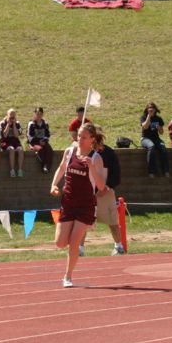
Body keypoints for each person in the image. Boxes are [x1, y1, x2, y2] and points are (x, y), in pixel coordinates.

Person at [50, 123, 107, 288]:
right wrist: (54, 185)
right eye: (78, 136)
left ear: (92, 139)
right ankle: (72, 245)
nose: (79, 139)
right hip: (68, 202)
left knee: (74, 242)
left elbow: (102, 186)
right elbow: (61, 168)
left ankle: (67, 276)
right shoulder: (69, 152)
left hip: (85, 205)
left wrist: (91, 167)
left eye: (84, 137)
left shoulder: (96, 158)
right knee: (60, 243)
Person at [91, 125, 126, 256]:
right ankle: (80, 248)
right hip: (89, 193)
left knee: (112, 221)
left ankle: (119, 246)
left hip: (106, 192)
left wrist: (106, 188)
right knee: (82, 222)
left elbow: (116, 175)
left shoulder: (110, 153)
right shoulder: (85, 153)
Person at [140, 102, 169, 178]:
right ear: (147, 110)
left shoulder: (158, 119)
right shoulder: (143, 117)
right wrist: (149, 116)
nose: (151, 110)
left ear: (155, 110)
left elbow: (161, 132)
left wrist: (159, 127)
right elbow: (145, 127)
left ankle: (166, 170)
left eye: (152, 108)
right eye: (149, 109)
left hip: (156, 138)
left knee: (163, 148)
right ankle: (151, 171)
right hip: (145, 139)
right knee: (151, 147)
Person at [27, 107, 53, 174]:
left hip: (43, 142)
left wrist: (44, 141)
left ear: (42, 114)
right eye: (37, 114)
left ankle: (46, 166)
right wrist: (39, 141)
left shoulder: (45, 124)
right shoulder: (31, 124)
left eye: (40, 114)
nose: (39, 115)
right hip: (34, 143)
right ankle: (44, 166)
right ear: (34, 114)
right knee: (40, 150)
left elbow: (48, 135)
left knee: (49, 149)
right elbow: (29, 137)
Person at [0, 108, 25, 177]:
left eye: (14, 115)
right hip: (4, 142)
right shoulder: (2, 123)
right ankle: (12, 170)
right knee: (11, 149)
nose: (12, 117)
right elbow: (4, 135)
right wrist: (8, 124)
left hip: (15, 141)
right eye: (11, 115)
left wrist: (13, 124)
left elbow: (17, 135)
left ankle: (20, 169)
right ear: (7, 115)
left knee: (20, 150)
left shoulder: (17, 123)